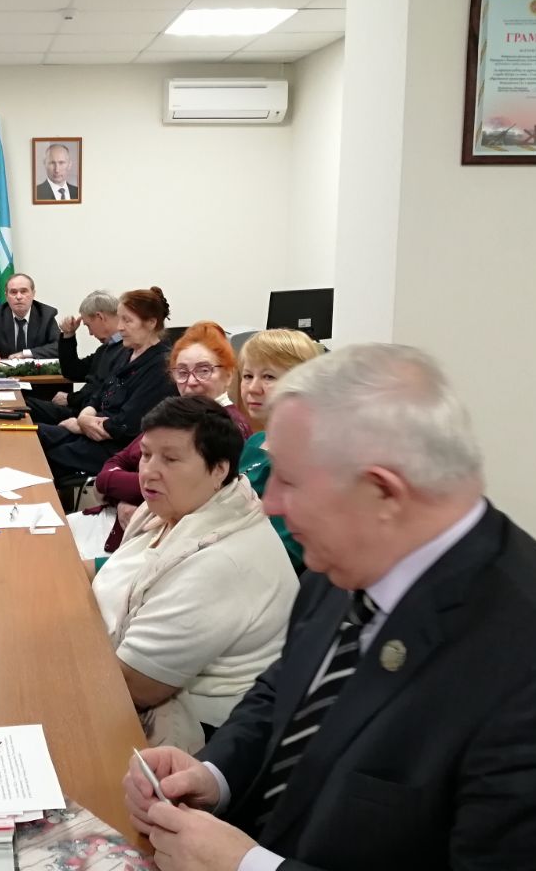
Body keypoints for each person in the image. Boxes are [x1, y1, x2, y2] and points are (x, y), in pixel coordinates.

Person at [125, 344, 536, 871]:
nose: (271, 500)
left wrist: (246, 867)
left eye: (291, 480)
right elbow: (285, 691)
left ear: (383, 494)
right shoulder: (350, 557)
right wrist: (214, 774)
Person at [93, 397, 294, 754]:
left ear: (218, 470)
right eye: (146, 455)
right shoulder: (179, 508)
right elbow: (121, 569)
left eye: (170, 459)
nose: (148, 472)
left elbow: (134, 686)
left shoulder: (220, 562)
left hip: (201, 737)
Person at [77, 322, 250, 559]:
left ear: (228, 375)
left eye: (204, 371)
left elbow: (174, 488)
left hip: (151, 543)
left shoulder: (228, 428)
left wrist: (111, 484)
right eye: (182, 372)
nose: (191, 382)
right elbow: (117, 462)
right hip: (123, 524)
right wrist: (122, 497)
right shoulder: (176, 414)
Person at [38, 287, 175, 479]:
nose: (120, 327)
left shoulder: (161, 365)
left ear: (151, 323)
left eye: (127, 320)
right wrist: (84, 417)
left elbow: (126, 424)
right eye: (120, 319)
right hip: (93, 430)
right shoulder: (126, 353)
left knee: (41, 456)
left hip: (117, 448)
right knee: (36, 435)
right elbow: (99, 394)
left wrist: (80, 424)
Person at [232, 329, 322, 572]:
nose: (253, 388)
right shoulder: (255, 442)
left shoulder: (305, 458)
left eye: (269, 377)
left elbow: (285, 552)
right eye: (247, 376)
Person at [28, 289, 124, 425]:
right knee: (25, 405)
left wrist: (70, 398)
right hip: (81, 410)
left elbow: (102, 389)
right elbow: (73, 371)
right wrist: (68, 335)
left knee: (27, 409)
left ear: (100, 317)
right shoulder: (107, 347)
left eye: (88, 325)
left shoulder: (125, 349)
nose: (90, 333)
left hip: (90, 417)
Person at [0, 273, 61, 364]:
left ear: (33, 294)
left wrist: (26, 354)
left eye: (24, 291)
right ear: (6, 296)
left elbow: (58, 346)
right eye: (13, 292)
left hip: (38, 370)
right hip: (5, 371)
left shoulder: (46, 315)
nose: (19, 297)